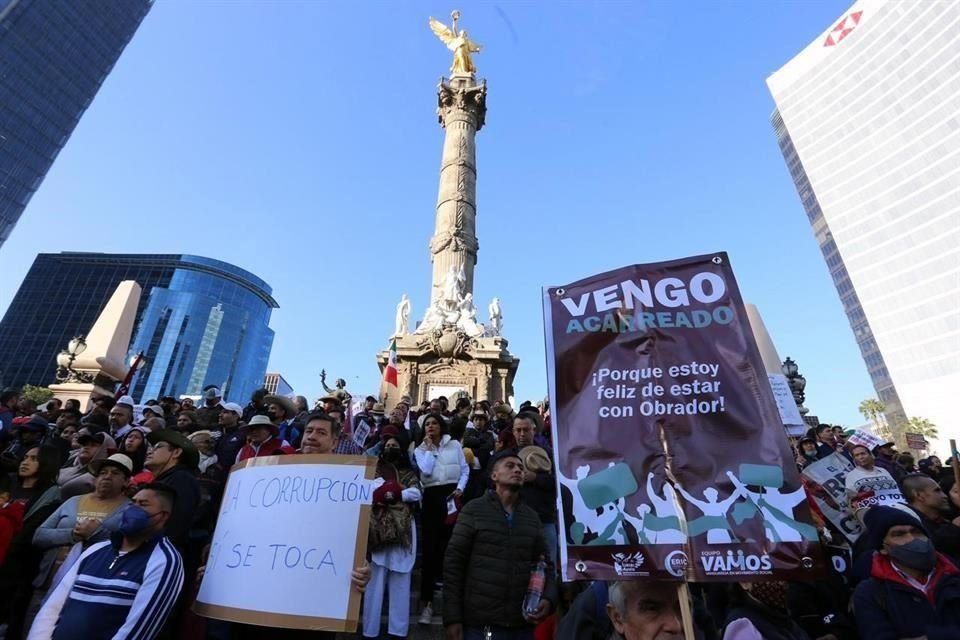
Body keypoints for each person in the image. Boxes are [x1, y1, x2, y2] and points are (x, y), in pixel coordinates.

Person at [28, 484, 185, 640]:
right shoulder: (95, 550)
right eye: (132, 503)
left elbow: (140, 628)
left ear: (163, 515)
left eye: (143, 505)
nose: (133, 509)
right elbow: (52, 607)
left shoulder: (164, 561)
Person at [443, 452, 555, 640]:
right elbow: (453, 564)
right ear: (494, 476)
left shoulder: (531, 517)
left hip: (521, 625)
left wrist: (549, 598)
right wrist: (452, 618)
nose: (518, 470)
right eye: (510, 466)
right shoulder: (473, 511)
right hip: (481, 626)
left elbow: (545, 565)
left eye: (520, 467)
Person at [27, 454, 132, 631]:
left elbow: (124, 542)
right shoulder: (73, 501)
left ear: (126, 481)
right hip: (49, 582)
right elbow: (39, 535)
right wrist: (73, 535)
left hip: (88, 591)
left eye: (115, 473)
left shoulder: (129, 509)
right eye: (103, 472)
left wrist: (96, 533)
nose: (107, 476)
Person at [852, 506, 960, 638]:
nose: (912, 539)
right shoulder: (870, 592)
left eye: (916, 532)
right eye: (899, 534)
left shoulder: (955, 574)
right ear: (883, 548)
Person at [362, 429, 421, 640]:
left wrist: (393, 492)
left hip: (403, 531)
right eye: (387, 446)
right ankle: (370, 632)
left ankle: (398, 632)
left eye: (394, 446)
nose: (390, 448)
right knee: (374, 585)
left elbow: (416, 493)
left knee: (401, 583)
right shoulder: (376, 469)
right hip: (378, 530)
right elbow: (370, 490)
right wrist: (389, 491)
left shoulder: (409, 472)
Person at [0, 445, 62, 639]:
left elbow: (32, 535)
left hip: (18, 569)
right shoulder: (9, 484)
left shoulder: (50, 495)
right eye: (25, 457)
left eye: (34, 459)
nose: (25, 462)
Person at [415, 412, 469, 625]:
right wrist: (428, 449)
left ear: (441, 426)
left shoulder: (455, 445)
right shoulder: (420, 450)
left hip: (451, 497)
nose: (430, 427)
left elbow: (464, 470)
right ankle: (426, 604)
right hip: (431, 497)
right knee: (429, 547)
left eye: (434, 423)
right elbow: (426, 471)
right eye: (427, 424)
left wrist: (460, 489)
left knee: (451, 544)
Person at [489, 413, 558, 563]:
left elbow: (559, 483)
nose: (522, 434)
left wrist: (535, 478)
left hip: (544, 519)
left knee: (547, 568)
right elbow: (489, 481)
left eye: (526, 430)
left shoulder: (549, 454)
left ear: (534, 430)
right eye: (518, 430)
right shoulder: (504, 456)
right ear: (513, 431)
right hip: (513, 520)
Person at [144, 430, 200, 552]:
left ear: (176, 452)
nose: (149, 451)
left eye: (158, 447)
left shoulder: (182, 479)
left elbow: (178, 523)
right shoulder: (166, 479)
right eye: (150, 447)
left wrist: (159, 552)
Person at [903, 472, 960, 559]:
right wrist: (954, 527)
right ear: (918, 495)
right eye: (937, 491)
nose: (944, 496)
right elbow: (930, 547)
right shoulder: (910, 525)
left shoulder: (945, 517)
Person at [844, 444, 903, 516]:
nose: (861, 457)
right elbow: (851, 499)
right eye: (857, 455)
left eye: (863, 453)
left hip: (896, 510)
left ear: (870, 454)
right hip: (873, 515)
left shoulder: (883, 471)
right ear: (854, 459)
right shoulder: (851, 476)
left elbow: (896, 488)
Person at [57, 430, 116, 500]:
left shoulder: (102, 479)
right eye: (84, 444)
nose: (86, 447)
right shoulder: (65, 470)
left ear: (104, 450)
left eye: (93, 445)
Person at [214, 401, 245, 469]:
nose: (220, 415)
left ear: (236, 416)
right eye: (221, 412)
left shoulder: (242, 436)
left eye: (225, 412)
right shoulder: (215, 432)